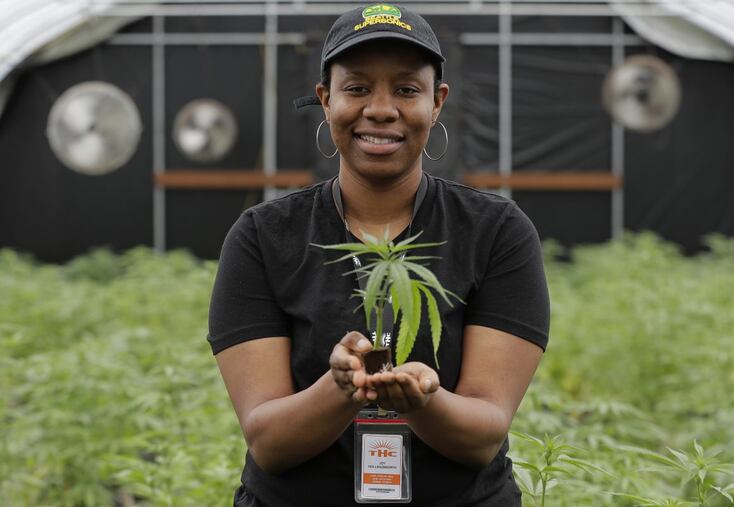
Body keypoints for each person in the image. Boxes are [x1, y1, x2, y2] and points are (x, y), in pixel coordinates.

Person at [208, 4, 550, 506]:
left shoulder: (495, 232)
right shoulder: (263, 237)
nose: (381, 109)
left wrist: (423, 401)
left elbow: (484, 433)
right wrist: (341, 386)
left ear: (437, 102)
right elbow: (269, 442)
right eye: (358, 88)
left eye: (407, 90)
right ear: (326, 100)